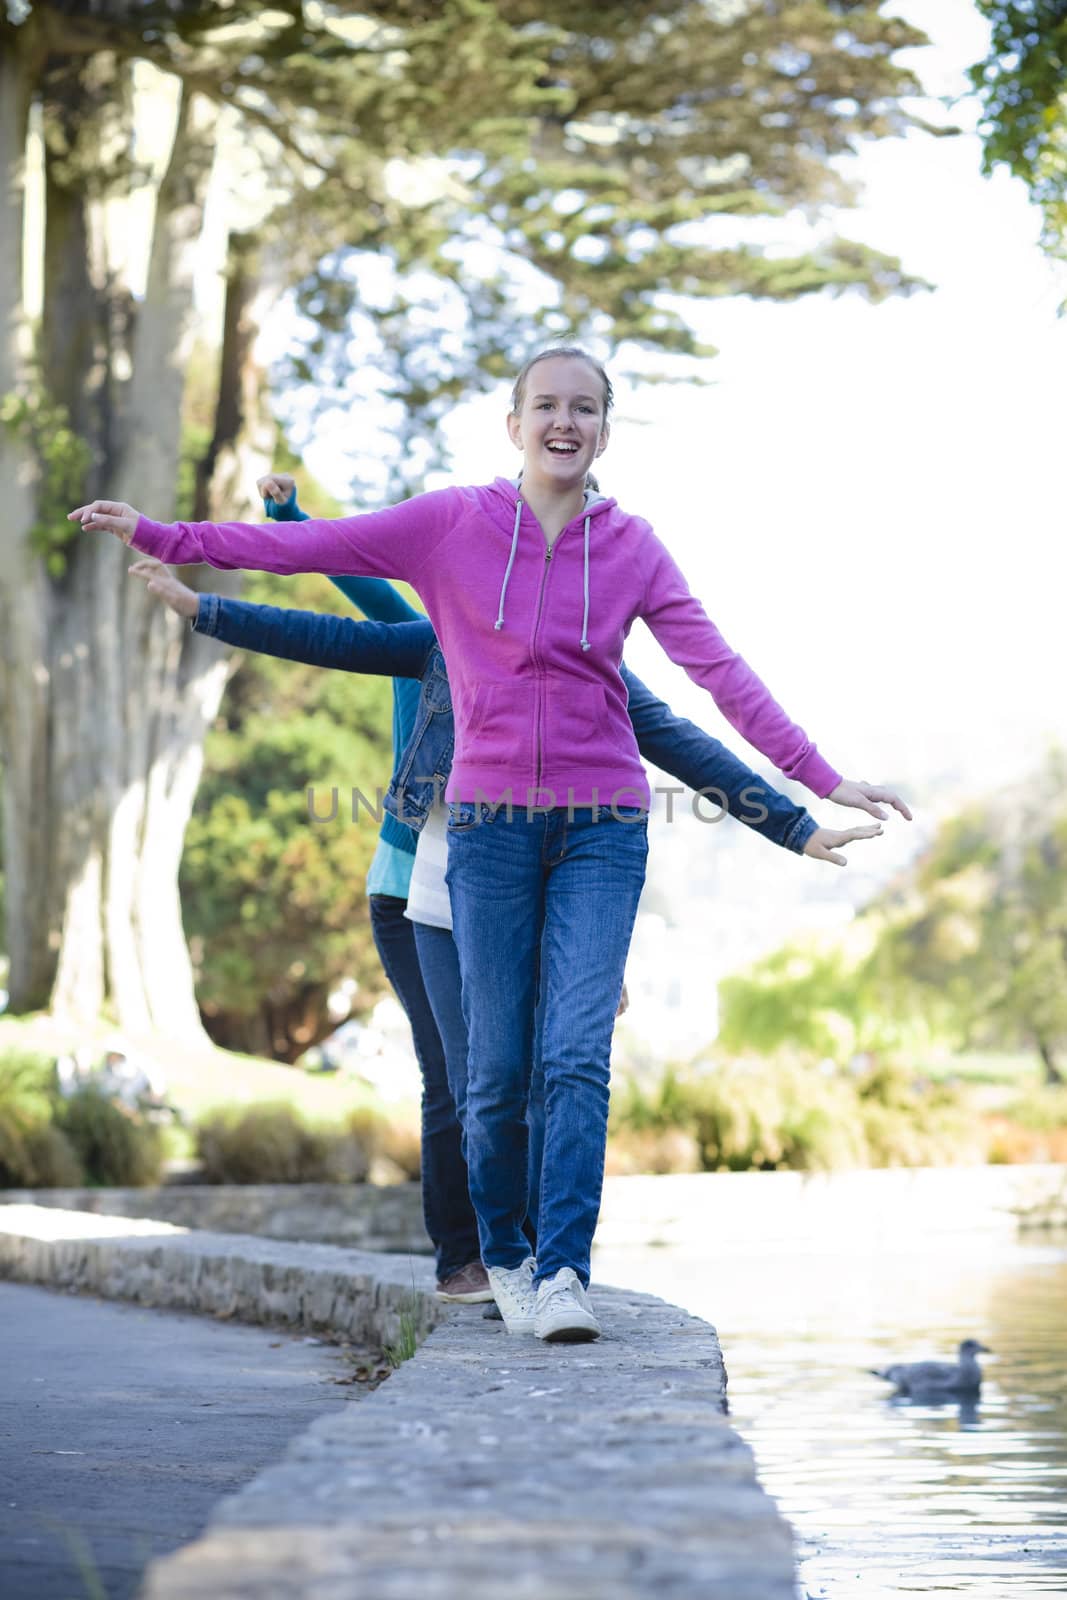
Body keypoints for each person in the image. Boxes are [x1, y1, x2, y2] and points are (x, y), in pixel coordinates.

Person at [71, 344, 910, 1344]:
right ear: (514, 424)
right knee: (493, 1073)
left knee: (574, 1061)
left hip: (603, 827)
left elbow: (714, 681)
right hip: (488, 832)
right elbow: (314, 554)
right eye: (546, 405)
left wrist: (814, 786)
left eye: (585, 408)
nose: (565, 421)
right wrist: (169, 535)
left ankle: (561, 1274)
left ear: (604, 429)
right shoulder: (449, 527)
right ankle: (499, 1258)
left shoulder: (631, 546)